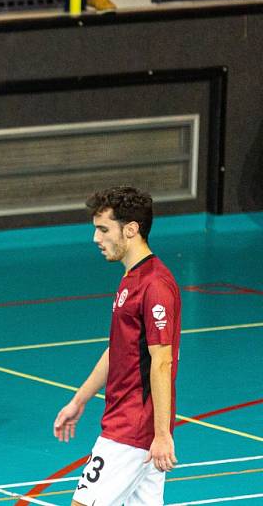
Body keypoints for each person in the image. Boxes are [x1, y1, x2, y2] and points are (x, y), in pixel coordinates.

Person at [53, 186, 180, 504]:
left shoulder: (155, 285)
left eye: (103, 229)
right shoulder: (131, 279)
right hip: (133, 427)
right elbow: (118, 350)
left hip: (131, 430)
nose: (96, 238)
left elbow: (161, 362)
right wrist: (79, 401)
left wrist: (162, 435)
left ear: (132, 229)